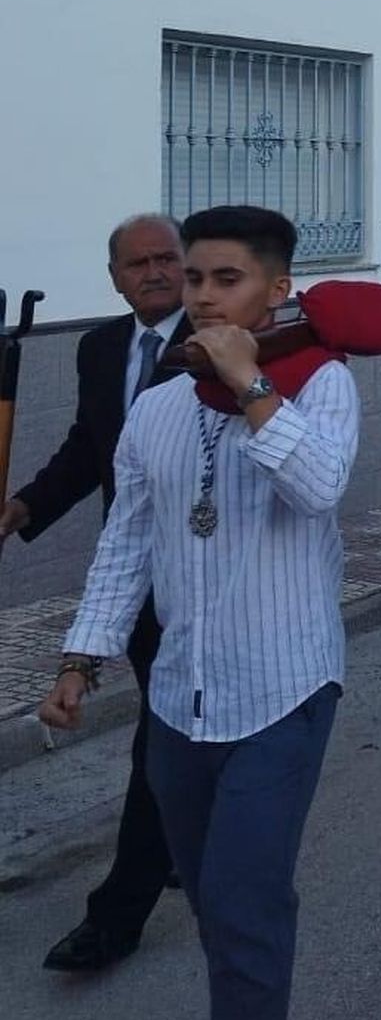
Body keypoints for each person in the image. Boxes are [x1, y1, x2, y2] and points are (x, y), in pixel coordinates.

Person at [37, 206, 361, 1020]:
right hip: (181, 694)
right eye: (195, 277)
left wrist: (253, 386)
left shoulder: (319, 381)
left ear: (277, 289)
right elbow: (127, 542)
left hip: (284, 687)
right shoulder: (158, 408)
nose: (204, 295)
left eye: (228, 278)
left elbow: (320, 486)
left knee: (246, 899)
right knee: (217, 904)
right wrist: (81, 658)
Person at [0, 214, 189, 974]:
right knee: (173, 725)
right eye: (137, 263)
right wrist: (24, 507)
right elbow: (90, 446)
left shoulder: (218, 341)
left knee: (163, 733)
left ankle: (117, 915)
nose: (154, 272)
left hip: (207, 574)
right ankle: (183, 839)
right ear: (114, 277)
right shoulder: (101, 347)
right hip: (131, 572)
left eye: (167, 258)